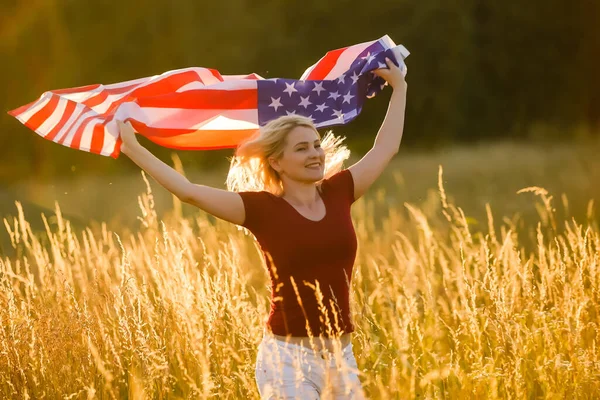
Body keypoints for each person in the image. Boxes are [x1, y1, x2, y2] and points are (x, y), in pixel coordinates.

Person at [117, 57, 407, 399]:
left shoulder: (340, 191)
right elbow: (189, 192)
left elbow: (385, 148)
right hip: (288, 361)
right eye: (302, 148)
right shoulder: (261, 209)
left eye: (316, 145)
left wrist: (400, 88)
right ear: (276, 162)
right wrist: (134, 149)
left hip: (342, 358)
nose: (315, 154)